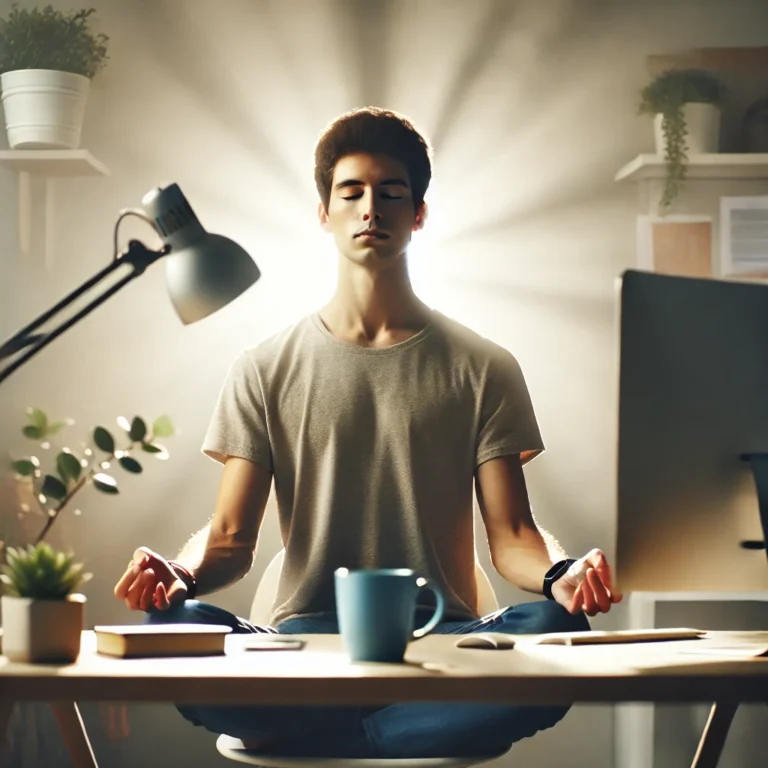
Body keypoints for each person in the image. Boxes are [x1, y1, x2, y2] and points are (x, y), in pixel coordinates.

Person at [113, 106, 621, 759]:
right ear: (323, 213)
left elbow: (514, 538)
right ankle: (393, 728)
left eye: (391, 193)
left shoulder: (484, 366)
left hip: (447, 650)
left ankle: (335, 731)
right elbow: (231, 541)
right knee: (170, 629)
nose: (370, 209)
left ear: (419, 214)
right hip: (304, 654)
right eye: (350, 192)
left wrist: (561, 574)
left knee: (558, 627)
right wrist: (175, 573)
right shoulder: (263, 367)